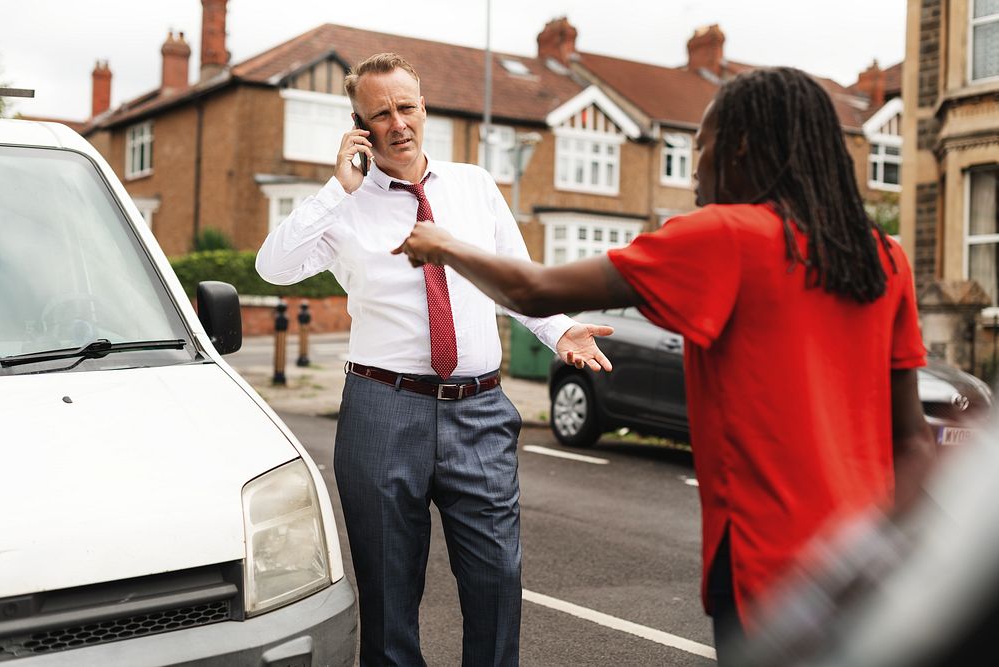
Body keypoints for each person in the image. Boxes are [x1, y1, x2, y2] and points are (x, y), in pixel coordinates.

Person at [394, 66, 938, 666]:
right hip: (874, 568)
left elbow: (533, 290)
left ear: (739, 148)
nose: (696, 169)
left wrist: (441, 243)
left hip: (772, 572)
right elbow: (912, 440)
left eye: (699, 147)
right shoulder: (882, 257)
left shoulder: (724, 236)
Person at [255, 52, 612, 667]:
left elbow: (518, 283)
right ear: (360, 124)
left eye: (408, 107)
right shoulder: (344, 206)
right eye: (382, 113)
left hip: (479, 412)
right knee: (391, 599)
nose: (398, 123)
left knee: (497, 581)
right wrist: (336, 188)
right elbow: (274, 267)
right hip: (382, 413)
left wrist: (559, 332)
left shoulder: (474, 186)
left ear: (425, 110)